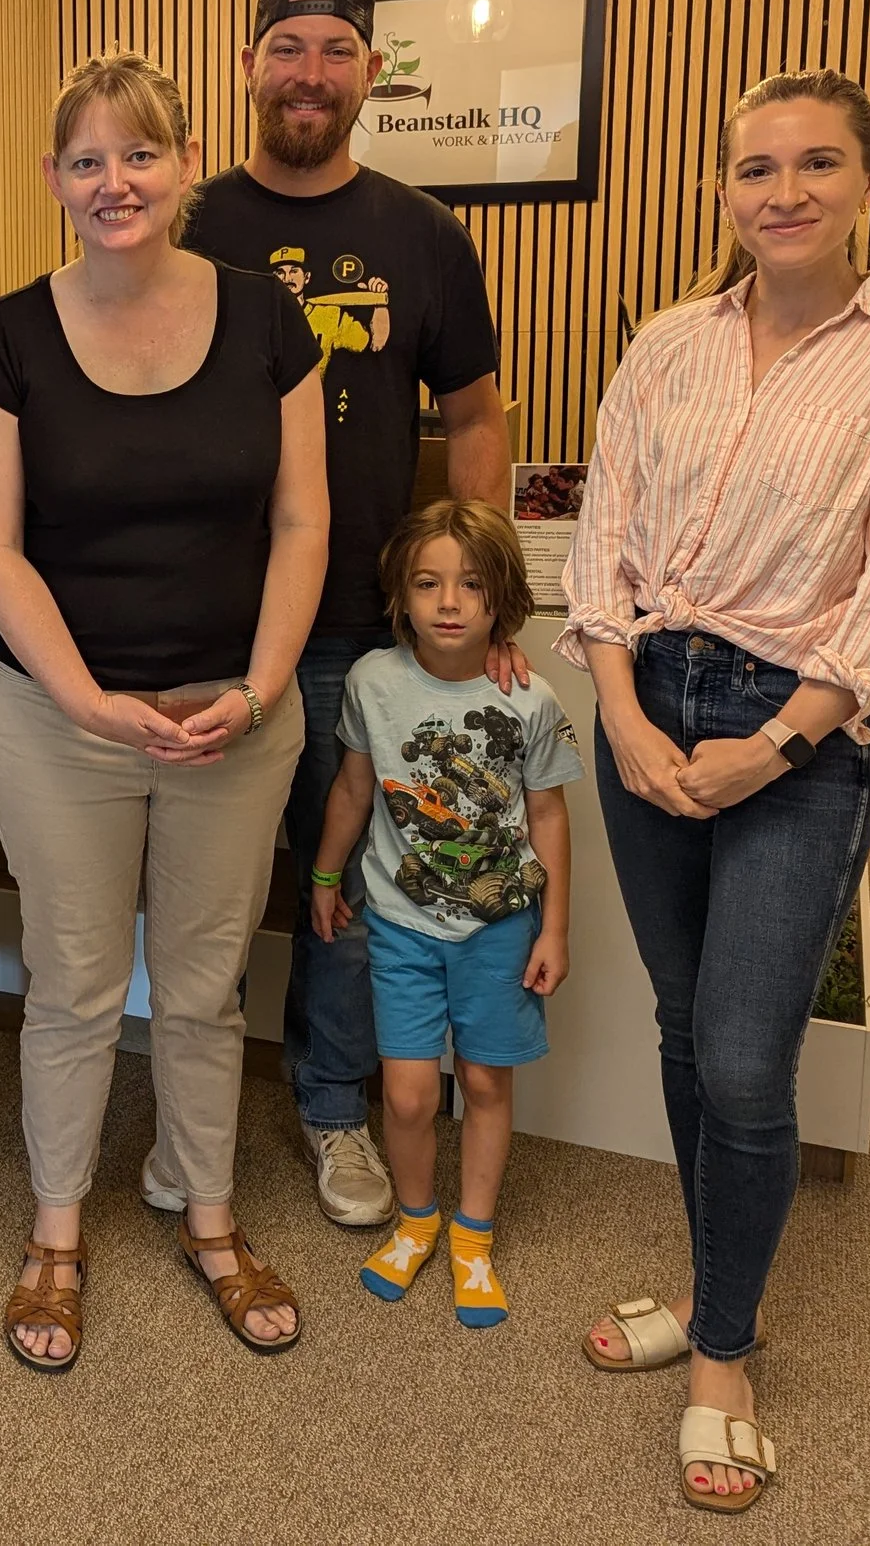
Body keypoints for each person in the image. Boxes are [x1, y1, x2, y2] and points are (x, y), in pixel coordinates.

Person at [560, 70, 870, 1514]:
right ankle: (712, 1286)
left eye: (816, 164)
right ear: (723, 188)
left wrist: (774, 746)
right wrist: (620, 711)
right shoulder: (668, 343)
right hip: (647, 704)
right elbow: (605, 534)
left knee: (745, 1059)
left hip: (799, 727)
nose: (783, 192)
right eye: (756, 168)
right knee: (684, 1023)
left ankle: (723, 1354)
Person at [0, 51, 329, 1370]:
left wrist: (262, 687)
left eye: (139, 153)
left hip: (237, 715)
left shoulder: (267, 317)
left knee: (204, 983)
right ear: (53, 179)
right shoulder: (7, 331)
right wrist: (91, 701)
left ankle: (208, 1215)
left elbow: (302, 519)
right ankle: (55, 1233)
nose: (113, 180)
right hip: (61, 722)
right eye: (86, 159)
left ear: (184, 167)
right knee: (71, 983)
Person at [182, 0, 514, 1233]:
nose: (309, 73)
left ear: (371, 72)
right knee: (209, 896)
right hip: (209, 630)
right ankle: (197, 1120)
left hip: (361, 639)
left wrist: (482, 598)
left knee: (351, 895)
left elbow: (473, 417)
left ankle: (331, 1107)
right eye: (287, 48)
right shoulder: (185, 221)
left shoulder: (423, 236)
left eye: (334, 51)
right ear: (250, 66)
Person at [309, 499, 578, 1329]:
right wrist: (325, 874)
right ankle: (417, 1220)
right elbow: (354, 787)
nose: (450, 603)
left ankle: (473, 1235)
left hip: (501, 931)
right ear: (401, 595)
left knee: (487, 1082)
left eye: (471, 585)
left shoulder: (530, 699)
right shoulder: (371, 682)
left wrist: (555, 928)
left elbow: (549, 816)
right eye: (428, 584)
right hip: (401, 927)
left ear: (503, 599)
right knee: (408, 1094)